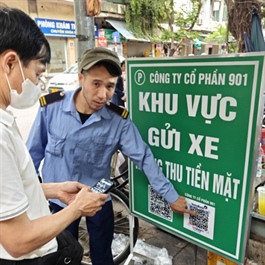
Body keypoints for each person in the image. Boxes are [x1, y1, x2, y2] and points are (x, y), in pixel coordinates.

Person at [26, 47, 196, 265]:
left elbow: (143, 157)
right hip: (59, 201)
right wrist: (33, 195)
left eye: (110, 86)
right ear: (81, 78)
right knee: (61, 256)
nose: (102, 94)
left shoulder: (118, 121)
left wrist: (170, 196)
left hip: (97, 199)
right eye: (96, 83)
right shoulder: (51, 107)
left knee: (102, 256)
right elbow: (32, 154)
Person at [0, 6, 108, 265]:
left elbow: (11, 188)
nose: (39, 83)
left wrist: (53, 190)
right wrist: (76, 209)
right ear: (10, 62)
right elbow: (17, 241)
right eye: (37, 73)